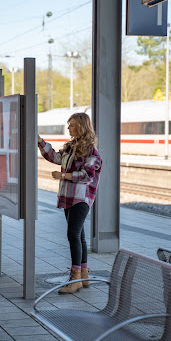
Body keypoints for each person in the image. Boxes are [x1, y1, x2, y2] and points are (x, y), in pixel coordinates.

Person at [38, 112, 102, 294]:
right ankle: (83, 275)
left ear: (81, 127)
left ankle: (75, 279)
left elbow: (87, 175)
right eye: (69, 124)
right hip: (68, 196)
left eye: (72, 125)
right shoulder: (71, 147)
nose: (69, 128)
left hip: (81, 198)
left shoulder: (91, 151)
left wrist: (63, 175)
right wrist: (40, 142)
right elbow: (55, 158)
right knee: (79, 235)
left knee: (73, 235)